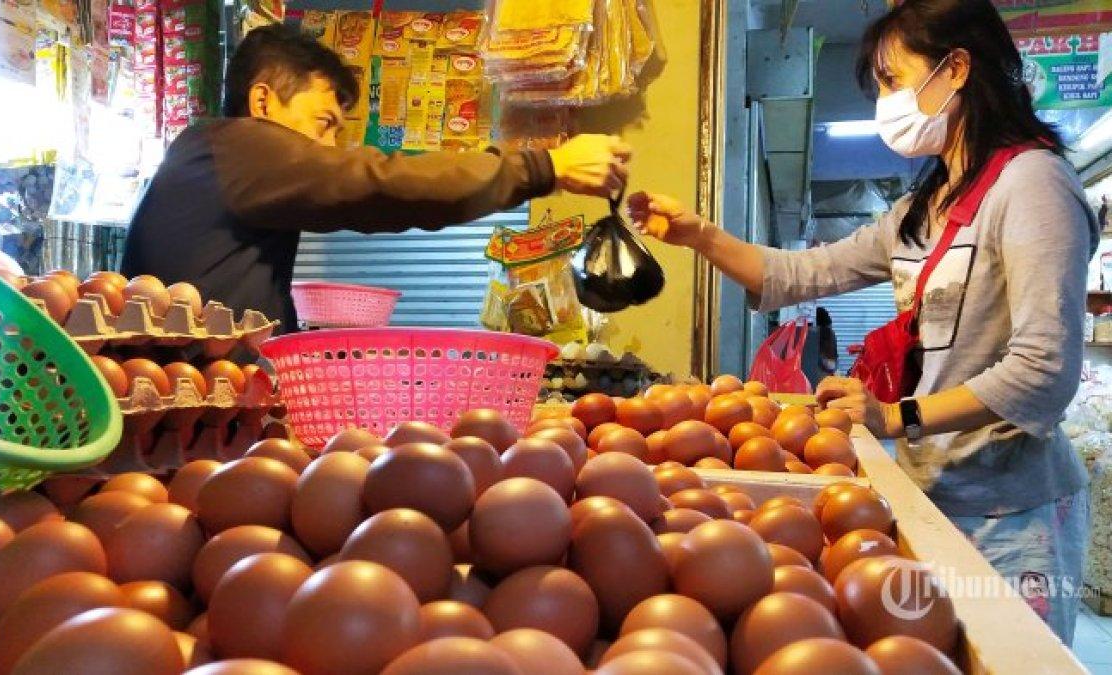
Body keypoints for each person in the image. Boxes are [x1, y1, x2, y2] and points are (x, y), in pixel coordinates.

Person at [630, 0, 1093, 644]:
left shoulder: (1034, 186)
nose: (885, 101)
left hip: (1010, 512)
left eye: (892, 79)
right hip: (929, 493)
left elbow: (1044, 370)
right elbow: (800, 274)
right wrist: (698, 234)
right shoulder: (924, 208)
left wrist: (893, 415)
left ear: (955, 69)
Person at [121, 24, 631, 331]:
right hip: (185, 413)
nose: (327, 147)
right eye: (323, 123)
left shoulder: (217, 160)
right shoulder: (236, 146)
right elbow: (381, 182)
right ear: (262, 101)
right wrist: (544, 167)